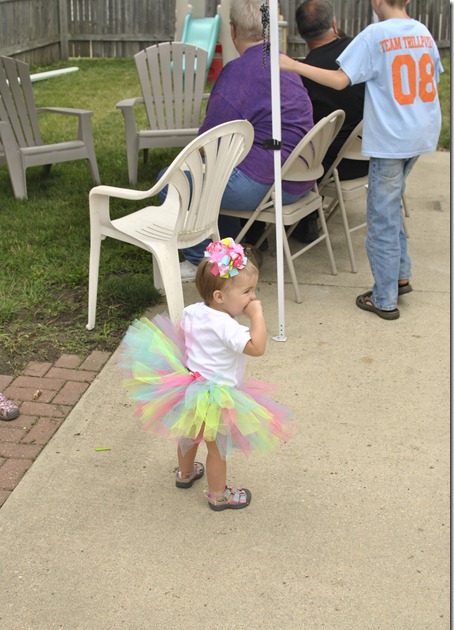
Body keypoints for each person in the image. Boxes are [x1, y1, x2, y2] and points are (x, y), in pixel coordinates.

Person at [280, 0, 443, 320]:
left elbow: (340, 80)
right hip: (421, 133)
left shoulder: (375, 35)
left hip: (391, 140)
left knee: (381, 219)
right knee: (390, 207)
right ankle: (400, 275)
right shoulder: (423, 32)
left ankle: (384, 299)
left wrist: (293, 65)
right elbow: (432, 77)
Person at [119, 238, 293, 511]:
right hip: (217, 397)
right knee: (216, 449)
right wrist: (256, 316)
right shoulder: (227, 326)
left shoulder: (192, 311)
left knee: (188, 434)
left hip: (189, 387)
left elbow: (184, 336)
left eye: (253, 291)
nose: (253, 297)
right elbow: (257, 347)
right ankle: (218, 495)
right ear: (220, 297)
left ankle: (185, 473)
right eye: (247, 291)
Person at [177, 0, 316, 281]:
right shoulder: (285, 64)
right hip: (302, 176)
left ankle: (206, 263)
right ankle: (231, 255)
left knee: (176, 182)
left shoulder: (237, 73)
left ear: (232, 30)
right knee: (219, 175)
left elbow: (207, 143)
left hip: (268, 184)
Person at [292, 0, 369, 243]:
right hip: (375, 155)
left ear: (300, 32)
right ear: (334, 24)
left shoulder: (303, 73)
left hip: (332, 168)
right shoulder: (362, 50)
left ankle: (305, 218)